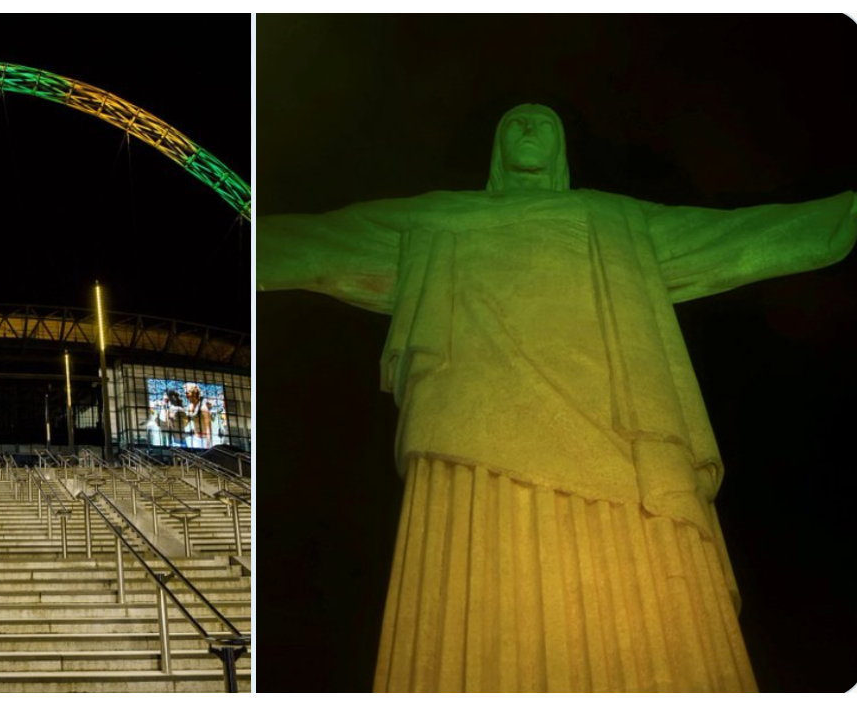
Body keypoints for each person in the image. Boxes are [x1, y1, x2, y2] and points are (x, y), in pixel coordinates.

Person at [258, 103, 857, 693]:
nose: (526, 129)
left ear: (561, 146)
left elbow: (739, 238)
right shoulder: (440, 216)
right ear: (496, 146)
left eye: (542, 123)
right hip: (470, 438)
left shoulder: (615, 218)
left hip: (621, 437)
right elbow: (314, 242)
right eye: (514, 122)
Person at [184, 383, 213, 449]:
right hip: (195, 438)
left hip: (203, 440)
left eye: (187, 393)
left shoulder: (203, 408)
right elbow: (185, 423)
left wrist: (208, 446)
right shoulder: (190, 406)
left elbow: (209, 429)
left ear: (194, 393)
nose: (186, 396)